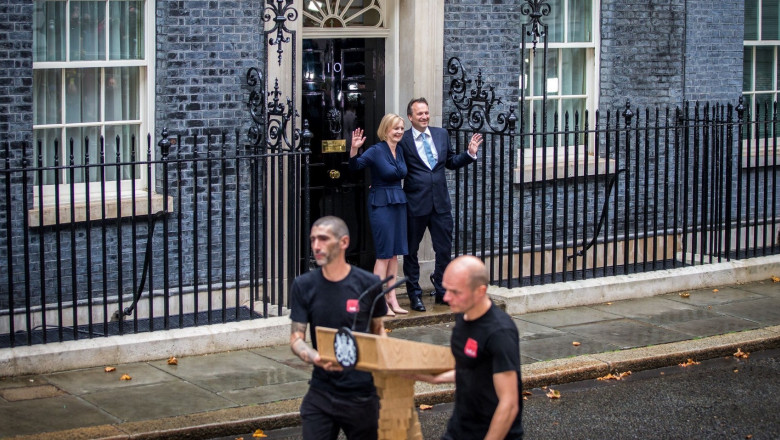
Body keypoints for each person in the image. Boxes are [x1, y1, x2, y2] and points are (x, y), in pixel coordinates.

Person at [289, 216, 388, 440]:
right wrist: (312, 356)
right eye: (313, 239)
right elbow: (296, 338)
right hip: (321, 391)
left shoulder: (369, 284)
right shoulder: (303, 286)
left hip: (361, 393)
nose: (316, 246)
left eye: (323, 239)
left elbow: (378, 331)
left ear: (344, 242)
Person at [414, 255, 523, 440]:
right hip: (460, 430)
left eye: (455, 292)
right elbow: (472, 369)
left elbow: (509, 403)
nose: (447, 298)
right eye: (446, 289)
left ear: (480, 291)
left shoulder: (499, 333)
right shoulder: (463, 315)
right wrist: (434, 377)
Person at [399, 97, 483, 311]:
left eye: (426, 112)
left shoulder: (441, 134)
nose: (425, 116)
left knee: (444, 249)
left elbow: (451, 162)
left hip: (440, 204)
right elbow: (395, 166)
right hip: (415, 204)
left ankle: (442, 289)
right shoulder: (403, 140)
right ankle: (414, 294)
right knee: (411, 252)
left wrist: (469, 154)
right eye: (420, 114)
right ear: (410, 117)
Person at [349, 113, 409, 316]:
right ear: (386, 130)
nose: (400, 131)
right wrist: (354, 149)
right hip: (381, 202)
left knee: (394, 254)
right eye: (396, 128)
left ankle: (392, 297)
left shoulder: (399, 150)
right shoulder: (376, 151)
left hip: (398, 202)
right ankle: (378, 300)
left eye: (401, 128)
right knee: (384, 254)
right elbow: (354, 167)